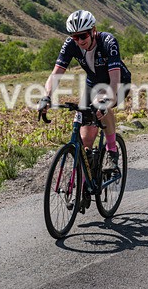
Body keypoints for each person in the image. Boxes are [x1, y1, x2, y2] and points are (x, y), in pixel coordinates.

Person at [38, 10, 132, 172]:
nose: (79, 41)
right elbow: (55, 75)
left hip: (118, 82)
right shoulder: (70, 45)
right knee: (85, 138)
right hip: (93, 83)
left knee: (102, 104)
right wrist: (46, 96)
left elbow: (114, 80)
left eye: (83, 36)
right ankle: (88, 172)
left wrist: (104, 102)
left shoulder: (108, 41)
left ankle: (111, 151)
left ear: (93, 31)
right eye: (75, 37)